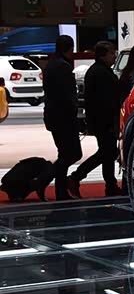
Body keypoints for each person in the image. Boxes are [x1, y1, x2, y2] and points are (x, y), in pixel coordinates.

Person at [68, 41, 122, 197]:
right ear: (102, 55)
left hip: (101, 120)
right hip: (104, 120)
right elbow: (105, 100)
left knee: (107, 153)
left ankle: (109, 185)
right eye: (111, 53)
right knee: (107, 152)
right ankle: (77, 177)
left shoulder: (98, 71)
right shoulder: (101, 73)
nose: (114, 56)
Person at [32, 35, 82, 201]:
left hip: (53, 115)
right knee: (72, 153)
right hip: (64, 117)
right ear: (70, 48)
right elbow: (68, 95)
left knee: (65, 153)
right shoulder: (63, 67)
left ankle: (59, 190)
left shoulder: (51, 65)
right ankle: (44, 180)